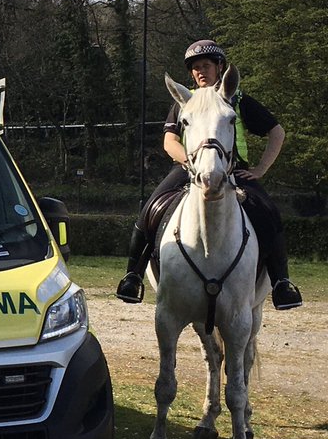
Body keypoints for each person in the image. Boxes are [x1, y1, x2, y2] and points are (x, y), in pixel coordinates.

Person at [116, 39, 302, 310]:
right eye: (195, 68)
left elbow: (277, 132)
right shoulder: (185, 100)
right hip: (189, 168)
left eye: (206, 65)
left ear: (220, 67)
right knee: (150, 209)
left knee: (268, 212)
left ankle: (281, 283)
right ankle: (133, 275)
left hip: (234, 170)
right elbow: (170, 141)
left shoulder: (238, 100)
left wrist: (261, 169)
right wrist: (191, 163)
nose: (200, 71)